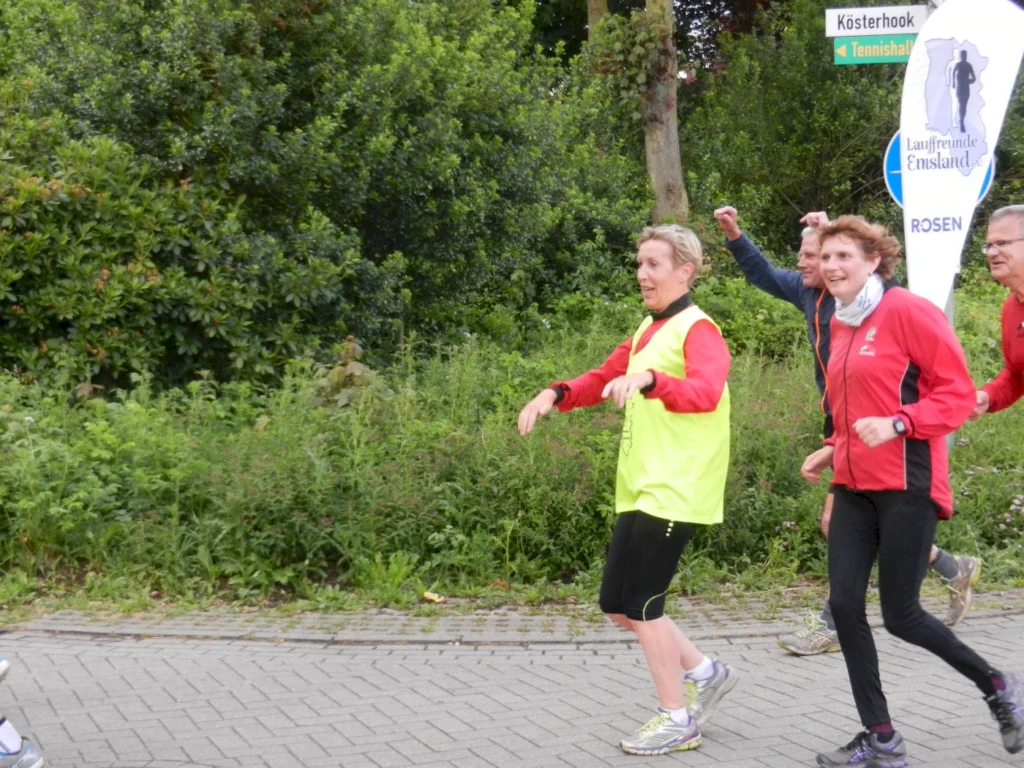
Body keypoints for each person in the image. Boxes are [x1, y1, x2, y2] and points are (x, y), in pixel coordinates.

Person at [800, 215, 1023, 766]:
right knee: (844, 606)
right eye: (825, 258)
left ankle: (996, 684)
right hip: (853, 483)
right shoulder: (838, 319)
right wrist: (834, 443)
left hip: (907, 481)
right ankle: (882, 738)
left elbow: (952, 396)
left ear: (874, 260)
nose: (831, 267)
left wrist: (899, 423)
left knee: (901, 615)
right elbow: (853, 401)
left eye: (843, 257)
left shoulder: (908, 310)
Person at [712, 206, 981, 657]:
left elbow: (945, 382)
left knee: (841, 521)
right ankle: (950, 567)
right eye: (807, 256)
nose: (806, 263)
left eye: (814, 255)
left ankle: (833, 621)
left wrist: (899, 421)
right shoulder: (806, 292)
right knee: (855, 523)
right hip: (841, 419)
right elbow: (761, 272)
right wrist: (735, 234)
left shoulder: (877, 302)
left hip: (884, 424)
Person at [518, 225, 737, 755]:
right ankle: (707, 673)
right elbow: (604, 376)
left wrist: (652, 382)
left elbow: (706, 392)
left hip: (679, 486)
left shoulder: (698, 330)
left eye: (654, 264)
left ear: (684, 270)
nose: (642, 274)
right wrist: (556, 392)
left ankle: (676, 718)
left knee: (643, 605)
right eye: (639, 264)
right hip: (641, 486)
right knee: (617, 605)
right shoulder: (649, 328)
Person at [970, 205, 1024, 420]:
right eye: (989, 245)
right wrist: (987, 396)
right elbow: (1016, 375)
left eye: (1002, 243)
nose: (992, 252)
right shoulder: (1011, 308)